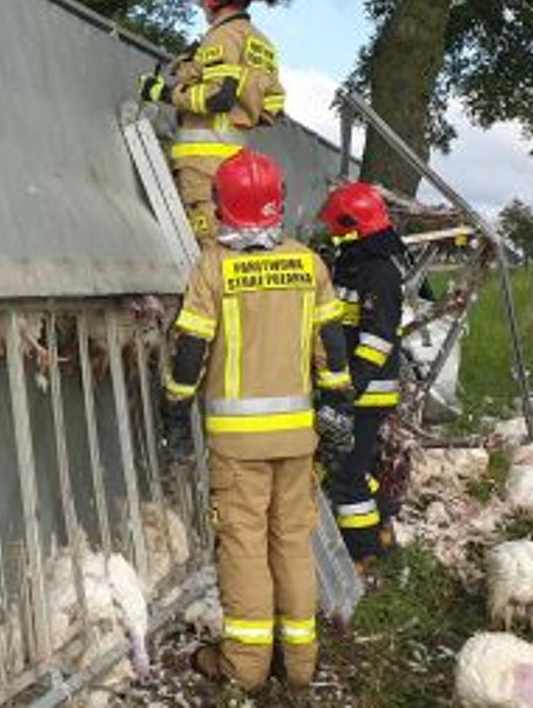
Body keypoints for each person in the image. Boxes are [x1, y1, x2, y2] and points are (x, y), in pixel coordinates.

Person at [162, 150, 337, 691]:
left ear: (220, 207)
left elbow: (191, 348)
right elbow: (332, 348)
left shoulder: (213, 266)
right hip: (298, 438)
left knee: (243, 547)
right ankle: (302, 666)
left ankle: (246, 668)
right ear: (277, 203)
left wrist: (173, 412)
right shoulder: (309, 263)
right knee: (290, 542)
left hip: (239, 448)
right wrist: (337, 407)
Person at [138, 0, 287, 247]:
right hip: (238, 167)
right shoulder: (262, 44)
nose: (201, 5)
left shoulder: (221, 36)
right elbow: (273, 109)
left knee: (205, 248)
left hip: (202, 167)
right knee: (232, 243)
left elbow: (218, 99)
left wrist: (163, 92)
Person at [316, 181, 406, 566]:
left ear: (354, 226)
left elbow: (377, 338)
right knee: (351, 466)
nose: (334, 234)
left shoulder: (378, 273)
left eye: (338, 227)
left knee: (347, 477)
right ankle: (383, 517)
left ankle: (363, 552)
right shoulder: (355, 264)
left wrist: (349, 389)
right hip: (354, 387)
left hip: (366, 392)